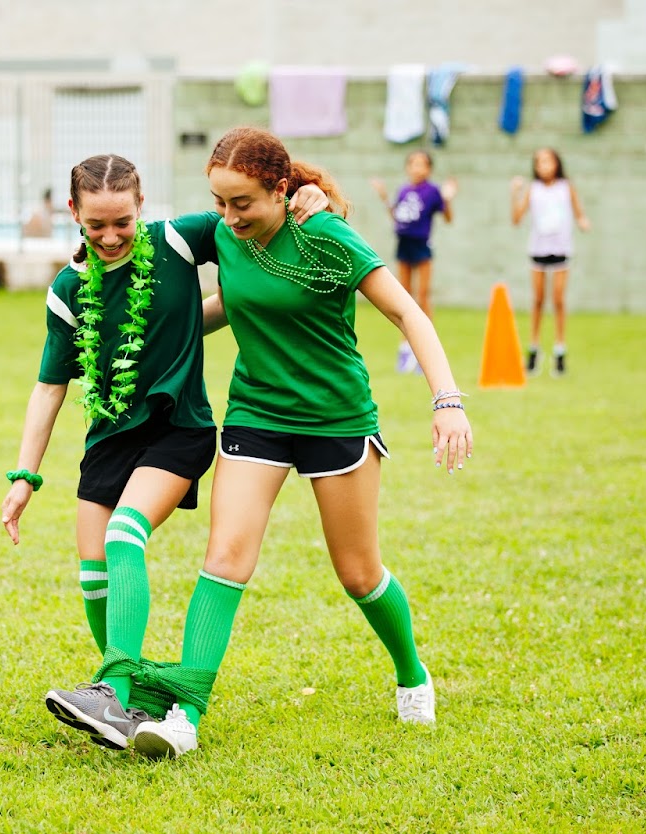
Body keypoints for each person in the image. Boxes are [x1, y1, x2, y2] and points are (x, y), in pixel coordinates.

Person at [126, 126, 474, 760]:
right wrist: (152, 338)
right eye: (219, 201)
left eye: (242, 203)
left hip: (335, 419)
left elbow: (408, 313)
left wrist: (446, 400)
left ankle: (411, 671)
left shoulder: (324, 233)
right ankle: (185, 715)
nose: (228, 217)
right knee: (224, 558)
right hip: (256, 413)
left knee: (359, 574)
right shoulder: (226, 236)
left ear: (281, 189)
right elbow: (232, 303)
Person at [2, 154, 328, 752]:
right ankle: (124, 702)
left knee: (124, 535)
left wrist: (308, 196)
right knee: (93, 574)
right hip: (109, 437)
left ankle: (111, 690)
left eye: (122, 222)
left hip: (178, 427)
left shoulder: (180, 240)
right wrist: (25, 476)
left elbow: (253, 208)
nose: (109, 236)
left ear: (142, 206)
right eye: (95, 224)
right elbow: (50, 387)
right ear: (72, 212)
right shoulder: (67, 291)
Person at [370, 151, 456, 372]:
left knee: (423, 296)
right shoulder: (404, 190)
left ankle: (427, 350)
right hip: (404, 245)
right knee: (404, 297)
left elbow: (448, 218)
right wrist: (384, 198)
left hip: (422, 246)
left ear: (429, 169)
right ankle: (406, 348)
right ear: (407, 167)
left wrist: (447, 198)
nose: (417, 168)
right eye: (413, 164)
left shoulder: (433, 191)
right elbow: (399, 218)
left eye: (422, 164)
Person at [510, 148, 590, 377]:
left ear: (557, 164)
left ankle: (559, 349)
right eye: (540, 162)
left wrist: (583, 222)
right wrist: (515, 194)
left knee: (558, 299)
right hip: (539, 249)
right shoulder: (533, 189)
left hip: (561, 249)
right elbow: (517, 219)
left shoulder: (566, 187)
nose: (544, 166)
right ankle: (534, 349)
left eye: (548, 161)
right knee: (537, 300)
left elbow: (579, 213)